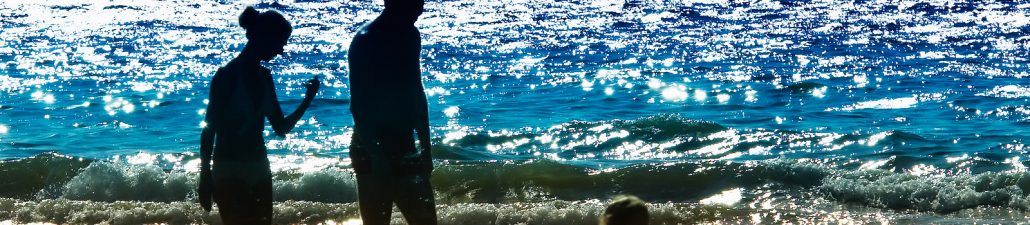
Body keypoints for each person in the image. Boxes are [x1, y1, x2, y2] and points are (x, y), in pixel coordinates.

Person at [197, 6, 319, 225]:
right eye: (280, 42)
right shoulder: (226, 76)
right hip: (229, 170)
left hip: (260, 168)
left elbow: (280, 128)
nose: (281, 50)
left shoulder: (265, 76)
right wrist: (205, 178)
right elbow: (209, 129)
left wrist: (308, 99)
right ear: (265, 37)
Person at [346, 0, 436, 224]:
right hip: (369, 146)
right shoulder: (366, 40)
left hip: (405, 145)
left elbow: (416, 89)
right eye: (413, 5)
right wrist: (377, 156)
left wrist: (426, 145)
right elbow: (358, 104)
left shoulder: (410, 35)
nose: (419, 10)